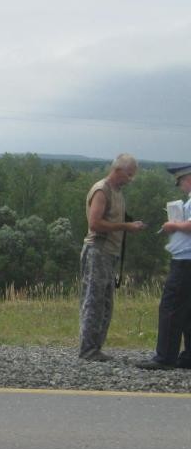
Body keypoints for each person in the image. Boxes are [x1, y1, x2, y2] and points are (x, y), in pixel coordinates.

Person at [78, 153, 145, 361]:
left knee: (105, 303)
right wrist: (126, 226)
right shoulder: (102, 190)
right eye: (129, 175)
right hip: (98, 251)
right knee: (94, 301)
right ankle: (88, 350)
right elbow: (95, 224)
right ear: (118, 170)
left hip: (109, 253)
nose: (130, 179)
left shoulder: (117, 192)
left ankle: (95, 348)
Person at [136, 163, 191, 369]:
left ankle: (165, 357)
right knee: (187, 310)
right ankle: (188, 357)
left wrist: (173, 225)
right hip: (186, 260)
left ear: (188, 178)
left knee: (171, 308)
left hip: (185, 262)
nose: (180, 186)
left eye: (180, 181)